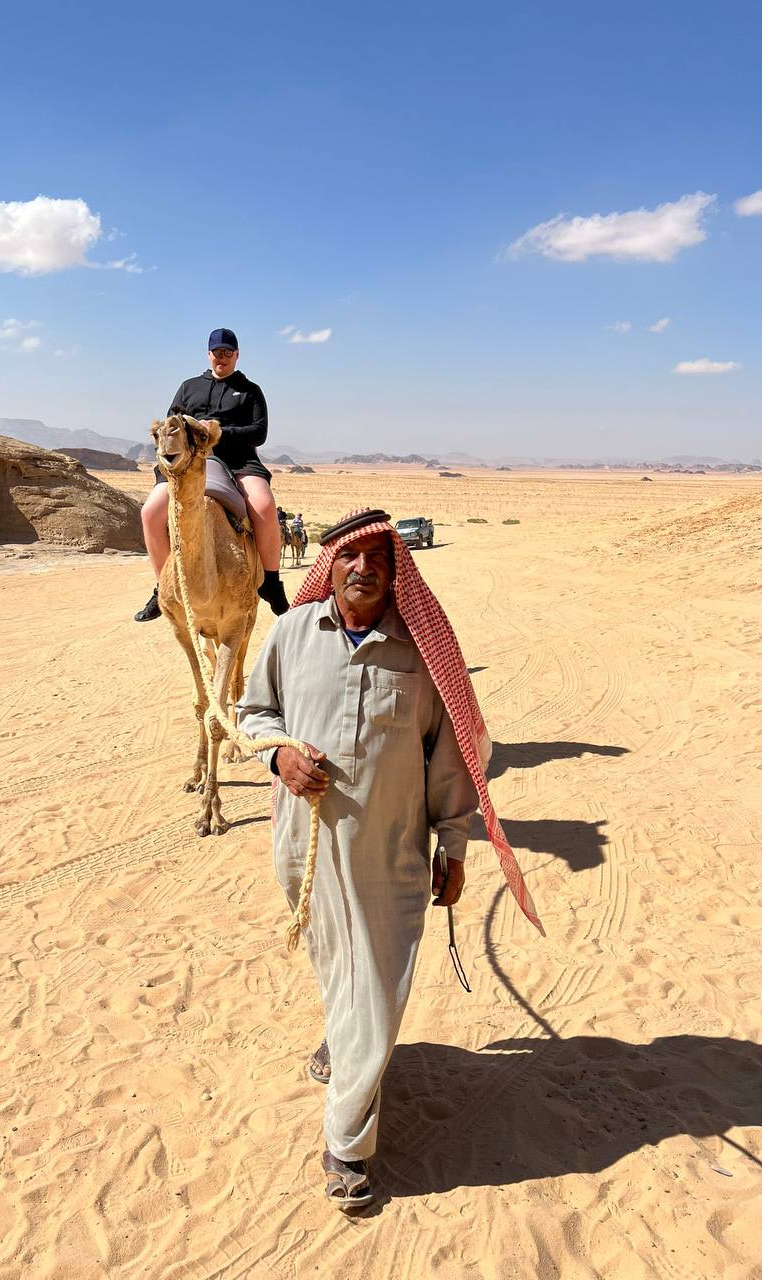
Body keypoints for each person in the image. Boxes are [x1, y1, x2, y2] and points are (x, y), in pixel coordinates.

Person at [237, 508, 542, 1209]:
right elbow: (254, 714)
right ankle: (343, 1042)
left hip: (392, 853)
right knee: (338, 963)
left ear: (396, 570)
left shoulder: (421, 655)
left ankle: (347, 1144)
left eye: (379, 556)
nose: (363, 568)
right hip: (306, 851)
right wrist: (279, 755)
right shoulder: (290, 634)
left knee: (377, 984)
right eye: (350, 555)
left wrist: (455, 846)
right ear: (330, 563)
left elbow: (450, 765)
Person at [134, 328, 289, 621]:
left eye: (228, 353)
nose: (222, 358)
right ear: (209, 354)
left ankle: (270, 582)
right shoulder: (188, 387)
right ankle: (162, 587)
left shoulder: (250, 390)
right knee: (150, 513)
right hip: (189, 464)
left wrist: (218, 430)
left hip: (237, 461)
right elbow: (170, 425)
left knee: (264, 505)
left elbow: (259, 432)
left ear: (237, 354)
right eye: (217, 353)